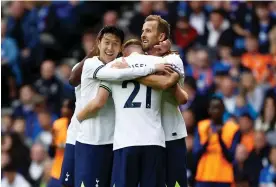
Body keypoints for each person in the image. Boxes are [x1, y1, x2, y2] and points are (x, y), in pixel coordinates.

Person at [74, 26, 171, 187]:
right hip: (154, 139)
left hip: (123, 142)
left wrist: (80, 115)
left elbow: (99, 101)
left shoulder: (116, 65)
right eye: (107, 43)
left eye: (115, 44)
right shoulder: (158, 63)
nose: (111, 48)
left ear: (122, 51)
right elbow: (173, 87)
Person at [193, 96, 241, 187]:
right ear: (209, 110)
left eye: (218, 108)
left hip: (223, 177)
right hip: (204, 176)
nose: (216, 111)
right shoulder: (201, 126)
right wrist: (207, 140)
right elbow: (196, 153)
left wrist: (220, 139)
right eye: (213, 108)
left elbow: (230, 157)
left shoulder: (233, 128)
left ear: (223, 109)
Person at [47, 99, 75, 187]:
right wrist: (53, 143)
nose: (63, 110)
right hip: (57, 171)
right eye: (62, 107)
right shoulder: (57, 124)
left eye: (66, 107)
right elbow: (51, 152)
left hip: (73, 170)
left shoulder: (79, 125)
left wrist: (63, 145)